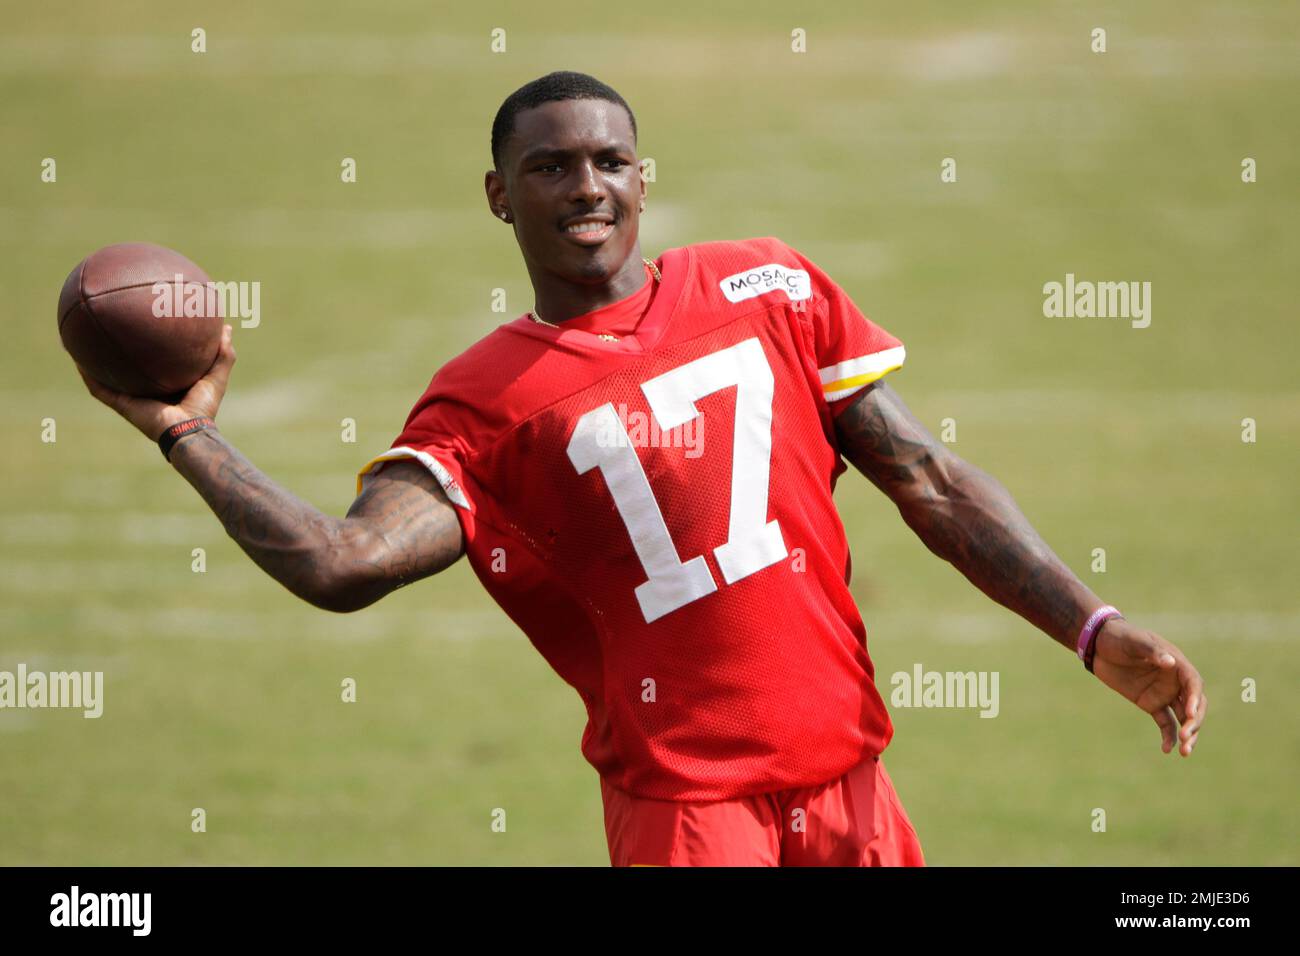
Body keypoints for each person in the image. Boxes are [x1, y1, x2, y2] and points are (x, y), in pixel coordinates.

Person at [78, 71, 1206, 867]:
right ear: (496, 194)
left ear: (644, 177)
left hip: (852, 776)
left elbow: (929, 479)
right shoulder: (484, 398)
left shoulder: (767, 285)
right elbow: (343, 561)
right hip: (688, 814)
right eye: (550, 165)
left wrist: (1091, 628)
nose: (586, 187)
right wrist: (188, 433)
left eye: (610, 160)